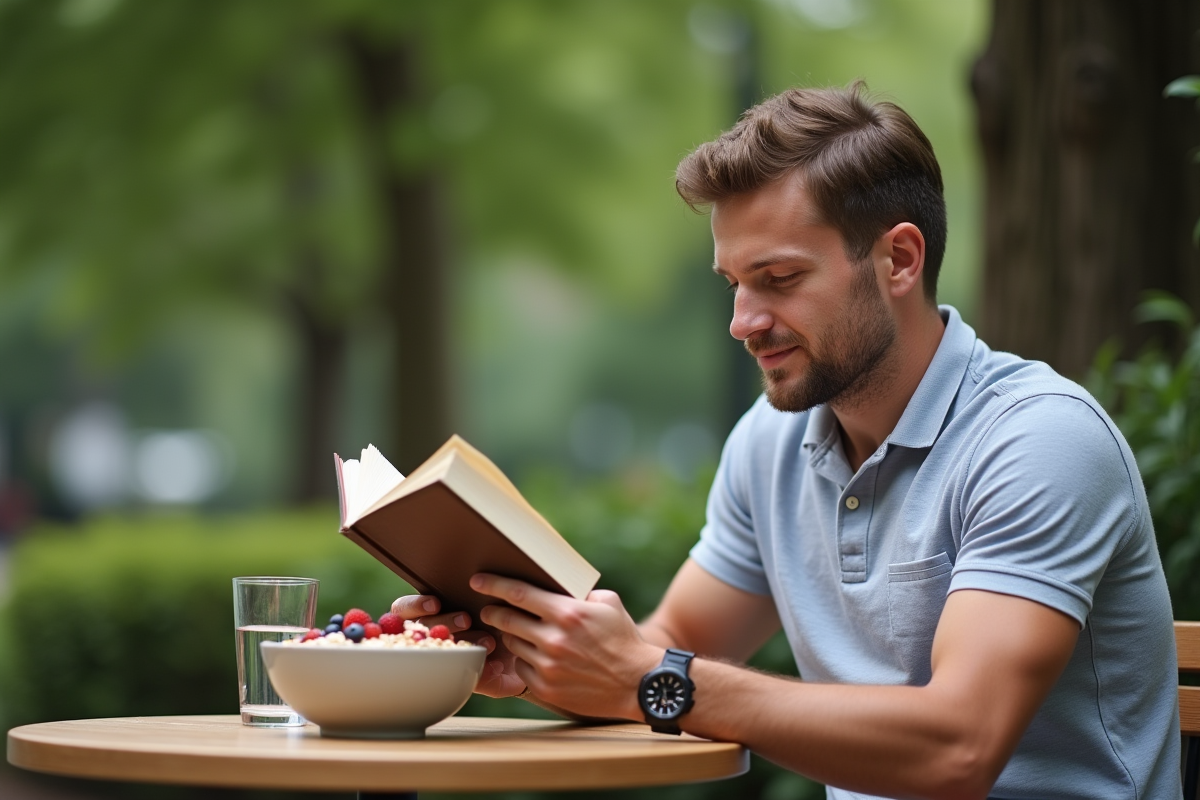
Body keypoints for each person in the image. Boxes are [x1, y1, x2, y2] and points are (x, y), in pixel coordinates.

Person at [392, 83, 1182, 799]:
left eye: (778, 279)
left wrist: (650, 677)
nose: (743, 323)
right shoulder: (770, 445)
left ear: (899, 259)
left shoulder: (1039, 440)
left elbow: (960, 747)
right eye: (733, 284)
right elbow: (669, 646)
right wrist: (531, 658)